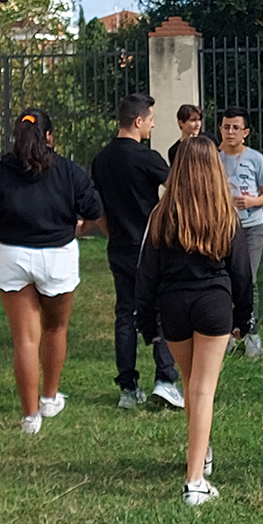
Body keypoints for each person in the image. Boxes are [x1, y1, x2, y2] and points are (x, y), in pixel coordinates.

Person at [0, 109, 104, 433]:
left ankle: (30, 418)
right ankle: (49, 399)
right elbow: (94, 211)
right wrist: (78, 230)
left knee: (25, 340)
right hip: (58, 255)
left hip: (12, 255)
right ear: (49, 137)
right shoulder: (67, 170)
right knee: (56, 328)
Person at [135, 137, 253, 506]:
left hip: (173, 305)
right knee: (202, 390)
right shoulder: (224, 213)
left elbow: (146, 273)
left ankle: (201, 453)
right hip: (213, 303)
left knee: (191, 385)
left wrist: (146, 320)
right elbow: (242, 272)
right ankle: (195, 481)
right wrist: (244, 316)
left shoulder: (161, 214)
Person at [91, 93, 184, 410]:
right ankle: (166, 380)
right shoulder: (147, 157)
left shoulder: (101, 160)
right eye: (151, 119)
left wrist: (112, 232)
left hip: (120, 247)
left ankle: (127, 388)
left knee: (125, 315)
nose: (153, 125)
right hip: (151, 246)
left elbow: (97, 209)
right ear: (138, 120)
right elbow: (177, 187)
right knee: (161, 311)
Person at [218, 107, 263, 359]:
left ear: (245, 132)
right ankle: (226, 335)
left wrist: (252, 202)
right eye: (226, 127)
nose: (230, 132)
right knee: (224, 279)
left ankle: (252, 338)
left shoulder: (255, 158)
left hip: (251, 227)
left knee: (248, 279)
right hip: (224, 227)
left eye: (235, 128)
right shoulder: (215, 158)